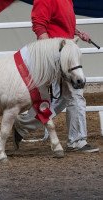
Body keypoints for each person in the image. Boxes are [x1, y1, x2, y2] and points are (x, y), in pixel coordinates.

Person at [13, 0, 99, 153]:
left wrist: (76, 32)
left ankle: (23, 125)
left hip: (66, 52)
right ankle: (77, 140)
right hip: (57, 55)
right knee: (74, 94)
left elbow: (60, 24)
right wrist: (50, 52)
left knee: (63, 98)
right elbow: (39, 25)